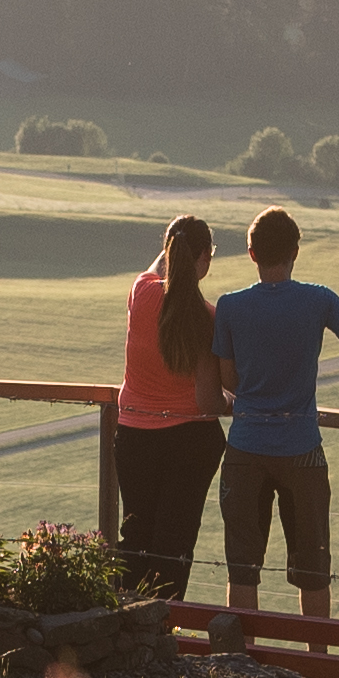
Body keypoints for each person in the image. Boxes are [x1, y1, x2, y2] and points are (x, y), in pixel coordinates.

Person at [206, 201, 339, 659]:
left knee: (242, 568)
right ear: (295, 253)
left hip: (245, 448)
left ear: (250, 253)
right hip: (303, 449)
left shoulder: (229, 306)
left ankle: (242, 662)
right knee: (312, 565)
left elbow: (228, 382)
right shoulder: (319, 299)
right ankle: (318, 663)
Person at [109, 214, 228, 598]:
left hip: (133, 434)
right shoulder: (208, 317)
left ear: (166, 251)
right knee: (174, 545)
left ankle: (126, 624)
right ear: (204, 259)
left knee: (136, 534)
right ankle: (164, 629)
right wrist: (231, 402)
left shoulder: (141, 292)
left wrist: (169, 248)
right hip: (190, 439)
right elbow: (208, 399)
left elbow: (154, 271)